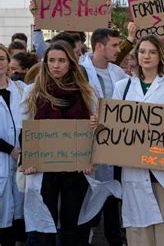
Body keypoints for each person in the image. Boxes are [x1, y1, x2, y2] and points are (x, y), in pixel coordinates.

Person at [106, 35, 164, 246]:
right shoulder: (122, 87)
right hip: (135, 169)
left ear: (161, 56)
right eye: (143, 51)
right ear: (136, 56)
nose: (147, 56)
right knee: (139, 230)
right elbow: (114, 128)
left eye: (152, 52)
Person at [19, 41, 95, 245]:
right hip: (44, 169)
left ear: (71, 63)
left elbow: (95, 131)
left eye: (61, 60)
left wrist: (91, 158)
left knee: (71, 226)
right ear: (45, 64)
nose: (56, 65)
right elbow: (24, 130)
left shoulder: (86, 92)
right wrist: (28, 158)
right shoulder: (33, 92)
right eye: (51, 60)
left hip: (76, 169)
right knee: (46, 226)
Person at [79, 28, 127, 246]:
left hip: (114, 144)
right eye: (115, 45)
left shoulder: (119, 73)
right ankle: (85, 236)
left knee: (112, 193)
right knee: (86, 194)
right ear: (100, 46)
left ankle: (114, 237)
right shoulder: (80, 70)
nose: (118, 50)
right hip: (87, 142)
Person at [0, 45, 26, 246]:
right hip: (4, 158)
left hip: (21, 161)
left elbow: (30, 120)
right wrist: (11, 150)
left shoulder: (20, 88)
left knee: (19, 216)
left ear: (8, 62)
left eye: (1, 58)